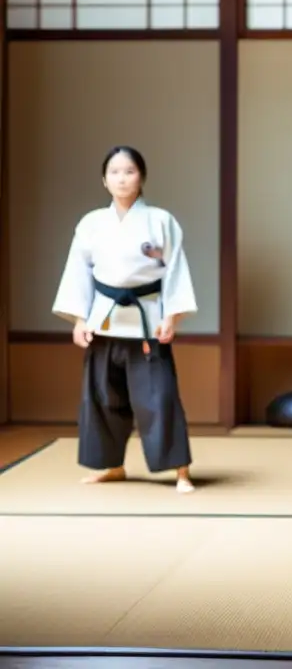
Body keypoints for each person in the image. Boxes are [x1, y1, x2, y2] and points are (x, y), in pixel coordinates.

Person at [52, 146, 198, 494]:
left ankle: (181, 470)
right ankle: (112, 465)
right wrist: (78, 319)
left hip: (147, 319)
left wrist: (171, 317)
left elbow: (175, 270)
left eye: (129, 171)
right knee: (103, 397)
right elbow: (78, 273)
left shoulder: (161, 221)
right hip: (103, 320)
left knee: (160, 396)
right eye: (114, 172)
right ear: (104, 180)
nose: (121, 178)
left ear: (141, 177)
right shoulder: (91, 224)